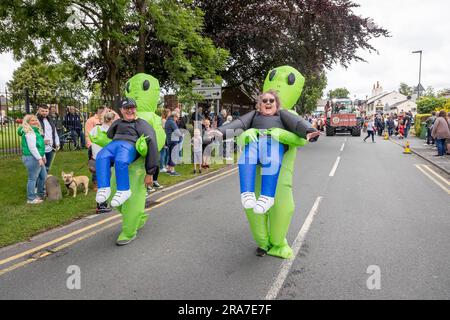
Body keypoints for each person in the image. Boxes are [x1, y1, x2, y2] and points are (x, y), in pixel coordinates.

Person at [215, 90, 319, 214]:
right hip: (255, 143)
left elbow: (297, 123)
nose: (268, 103)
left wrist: (309, 131)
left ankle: (267, 196)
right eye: (264, 101)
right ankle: (247, 192)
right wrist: (221, 131)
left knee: (272, 156)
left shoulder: (282, 115)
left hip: (273, 143)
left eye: (271, 100)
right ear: (260, 105)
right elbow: (239, 123)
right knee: (246, 158)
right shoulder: (254, 115)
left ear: (276, 104)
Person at [95, 98, 159, 207]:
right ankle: (104, 187)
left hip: (129, 145)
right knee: (101, 156)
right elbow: (110, 134)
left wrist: (150, 172)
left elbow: (152, 143)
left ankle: (124, 190)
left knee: (121, 159)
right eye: (126, 108)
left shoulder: (141, 123)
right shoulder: (118, 122)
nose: (130, 111)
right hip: (115, 144)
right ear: (121, 110)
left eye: (132, 108)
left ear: (136, 109)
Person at [89, 111, 116, 212]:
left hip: (96, 157)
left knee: (103, 181)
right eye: (114, 120)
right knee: (105, 182)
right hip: (105, 158)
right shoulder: (110, 131)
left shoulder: (96, 129)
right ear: (110, 120)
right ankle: (101, 205)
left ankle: (103, 203)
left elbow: (91, 141)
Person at [18, 115, 47, 204]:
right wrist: (39, 158)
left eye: (35, 120)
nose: (35, 122)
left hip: (37, 157)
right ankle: (31, 198)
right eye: (32, 121)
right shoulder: (29, 133)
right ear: (28, 122)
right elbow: (32, 148)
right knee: (32, 178)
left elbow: (40, 146)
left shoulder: (35, 131)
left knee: (43, 176)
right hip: (32, 157)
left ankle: (40, 194)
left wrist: (43, 156)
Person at [37, 105, 60, 172]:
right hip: (40, 149)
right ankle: (39, 182)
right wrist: (42, 141)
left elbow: (54, 132)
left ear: (48, 111)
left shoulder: (50, 120)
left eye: (46, 111)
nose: (44, 113)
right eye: (42, 111)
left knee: (47, 168)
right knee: (40, 169)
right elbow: (33, 135)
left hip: (50, 149)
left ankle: (44, 182)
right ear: (38, 111)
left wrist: (57, 143)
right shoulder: (35, 121)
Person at [164, 109, 183, 176]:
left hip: (169, 140)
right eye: (177, 117)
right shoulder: (172, 122)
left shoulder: (167, 121)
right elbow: (177, 131)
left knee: (170, 155)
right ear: (174, 116)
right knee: (173, 156)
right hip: (174, 140)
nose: (177, 119)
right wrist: (181, 135)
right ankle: (172, 171)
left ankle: (169, 169)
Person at [159, 108, 171, 173]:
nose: (170, 114)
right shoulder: (163, 120)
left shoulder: (165, 120)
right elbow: (164, 129)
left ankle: (164, 165)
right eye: (169, 113)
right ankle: (161, 167)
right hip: (163, 138)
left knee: (165, 152)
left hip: (166, 137)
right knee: (162, 153)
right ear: (167, 113)